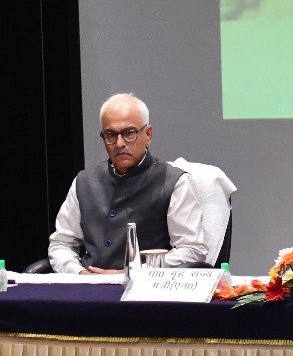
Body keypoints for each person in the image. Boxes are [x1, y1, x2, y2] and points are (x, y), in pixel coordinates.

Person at [48, 93, 207, 274]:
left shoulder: (173, 182)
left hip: (146, 286)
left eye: (129, 133)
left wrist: (133, 272)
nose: (119, 143)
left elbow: (192, 250)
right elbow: (61, 244)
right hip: (89, 285)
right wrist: (79, 273)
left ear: (148, 135)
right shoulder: (84, 181)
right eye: (110, 135)